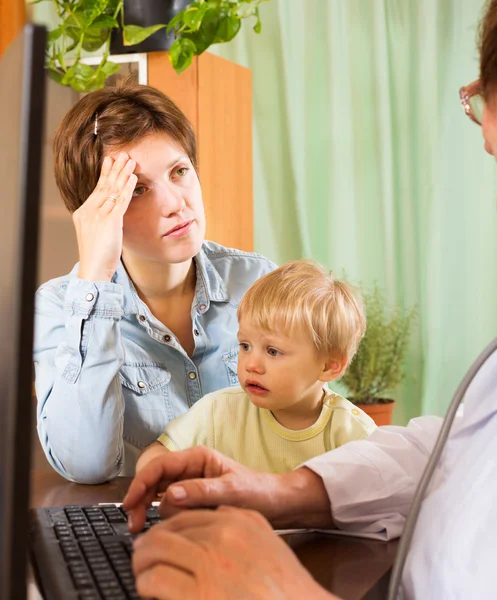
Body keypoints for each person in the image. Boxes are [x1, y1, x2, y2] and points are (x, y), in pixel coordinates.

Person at [123, 2, 497, 599]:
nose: (483, 136)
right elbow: (450, 452)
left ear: (332, 366)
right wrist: (276, 492)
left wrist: (282, 591)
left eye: (484, 101)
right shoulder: (219, 409)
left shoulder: (343, 422)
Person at [33, 81, 276, 484]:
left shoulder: (257, 281)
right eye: (139, 190)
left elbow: (310, 427)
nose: (176, 204)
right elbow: (86, 466)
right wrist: (94, 275)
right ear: (95, 211)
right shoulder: (58, 306)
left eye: (180, 172)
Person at [136, 260, 376, 474]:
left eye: (273, 351)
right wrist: (161, 474)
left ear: (329, 366)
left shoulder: (352, 433)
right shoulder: (218, 411)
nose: (251, 364)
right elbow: (156, 457)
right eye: (245, 346)